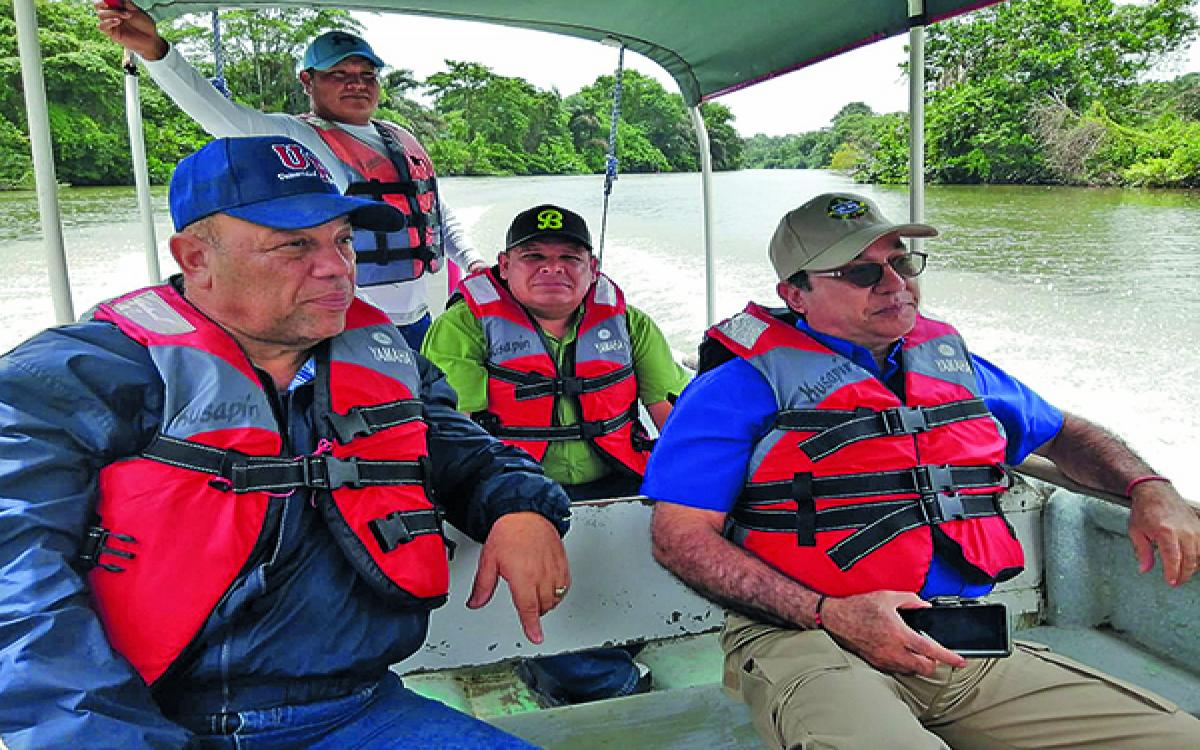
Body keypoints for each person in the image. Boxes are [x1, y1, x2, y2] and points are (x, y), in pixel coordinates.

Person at [0, 136, 573, 749]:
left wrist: (519, 505)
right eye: (295, 244)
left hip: (363, 712)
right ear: (195, 258)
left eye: (343, 240)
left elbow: (462, 450)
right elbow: (16, 590)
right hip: (154, 724)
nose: (335, 267)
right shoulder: (80, 374)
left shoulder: (387, 359)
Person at [643, 192, 1200, 749]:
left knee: (1174, 739)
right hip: (803, 637)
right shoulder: (734, 389)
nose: (893, 283)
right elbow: (679, 538)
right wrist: (826, 612)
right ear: (795, 293)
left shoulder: (951, 365)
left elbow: (1065, 434)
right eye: (861, 271)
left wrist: (1148, 486)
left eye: (901, 262)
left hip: (950, 636)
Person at [422, 204, 691, 706]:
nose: (553, 268)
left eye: (570, 256)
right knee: (554, 602)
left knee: (686, 541)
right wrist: (512, 505)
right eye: (534, 256)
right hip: (514, 490)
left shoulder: (631, 324)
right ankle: (599, 681)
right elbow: (457, 437)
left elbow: (672, 419)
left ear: (593, 267)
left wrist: (693, 500)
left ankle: (600, 654)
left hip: (619, 480)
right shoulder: (463, 327)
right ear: (504, 265)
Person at [96, 4, 488, 348]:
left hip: (421, 317)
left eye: (366, 74)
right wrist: (155, 52)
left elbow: (433, 210)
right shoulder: (297, 136)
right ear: (308, 81)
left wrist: (471, 261)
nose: (356, 83)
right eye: (339, 73)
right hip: (350, 319)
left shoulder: (400, 137)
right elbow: (218, 113)